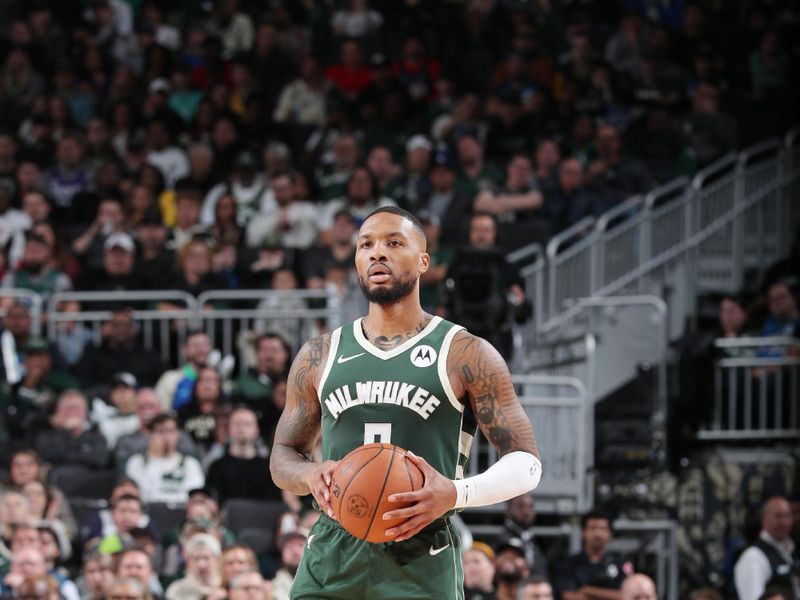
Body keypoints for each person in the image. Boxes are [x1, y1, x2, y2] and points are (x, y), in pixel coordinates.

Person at [270, 206, 541, 598]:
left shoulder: (465, 352)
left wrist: (456, 491)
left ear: (424, 261)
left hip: (421, 551)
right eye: (366, 245)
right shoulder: (320, 353)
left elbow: (527, 463)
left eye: (393, 243)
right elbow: (283, 454)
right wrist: (310, 475)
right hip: (334, 548)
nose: (377, 253)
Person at [206, 406, 295, 508]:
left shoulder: (270, 468)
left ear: (256, 430)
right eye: (237, 424)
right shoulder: (216, 467)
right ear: (228, 429)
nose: (241, 428)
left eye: (247, 424)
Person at [125, 413, 205, 504]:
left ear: (178, 434)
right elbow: (143, 495)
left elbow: (193, 496)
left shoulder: (190, 463)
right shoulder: (137, 462)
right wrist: (154, 457)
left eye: (170, 431)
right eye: (160, 431)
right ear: (150, 434)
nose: (166, 437)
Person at [553, 509, 631, 600]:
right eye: (593, 528)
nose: (597, 534)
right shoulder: (569, 564)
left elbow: (627, 595)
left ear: (610, 534)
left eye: (602, 529)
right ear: (583, 532)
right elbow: (568, 596)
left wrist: (587, 590)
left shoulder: (620, 563)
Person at [734, 496, 798, 600]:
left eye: (787, 516)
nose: (784, 522)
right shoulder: (754, 556)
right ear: (764, 519)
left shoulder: (792, 551)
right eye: (778, 516)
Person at [496, 494, 548, 578]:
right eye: (520, 506)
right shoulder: (502, 540)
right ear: (508, 511)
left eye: (530, 506)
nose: (527, 511)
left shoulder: (532, 539)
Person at [164, 533, 224, 600]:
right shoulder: (176, 591)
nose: (201, 565)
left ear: (217, 560)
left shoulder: (226, 588)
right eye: (196, 558)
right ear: (188, 562)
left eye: (206, 558)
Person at [271, 529, 306, 600]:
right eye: (290, 546)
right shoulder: (272, 586)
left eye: (300, 545)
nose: (295, 551)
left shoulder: (323, 580)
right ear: (282, 554)